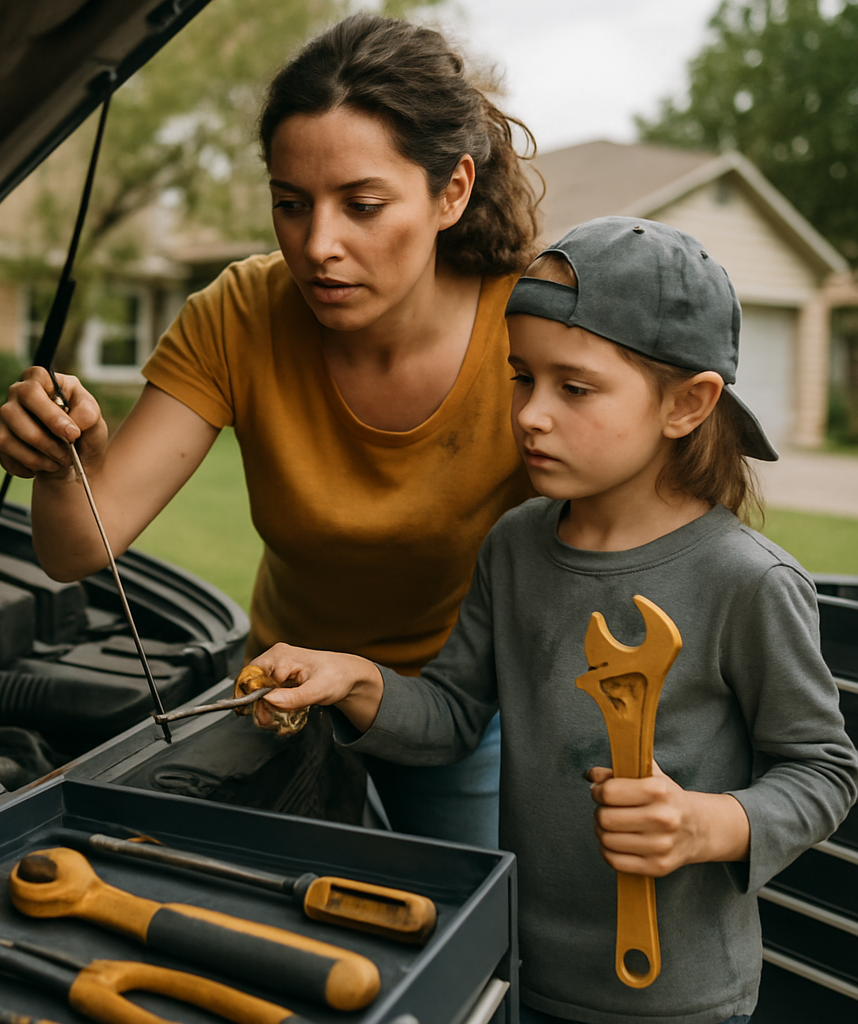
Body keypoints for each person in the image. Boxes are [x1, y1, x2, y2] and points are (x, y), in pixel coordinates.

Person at [249, 217, 858, 1024]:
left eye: (574, 388)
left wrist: (708, 823)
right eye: (520, 377)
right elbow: (455, 717)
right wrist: (354, 679)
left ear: (688, 403)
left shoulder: (746, 582)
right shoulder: (516, 546)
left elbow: (824, 772)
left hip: (678, 998)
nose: (532, 414)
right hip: (521, 968)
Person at [0, 13, 541, 846]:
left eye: (362, 205)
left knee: (461, 941)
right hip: (276, 693)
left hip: (455, 715)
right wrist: (64, 464)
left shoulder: (533, 336)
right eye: (291, 204)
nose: (318, 245)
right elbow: (75, 551)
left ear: (452, 192)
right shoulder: (238, 316)